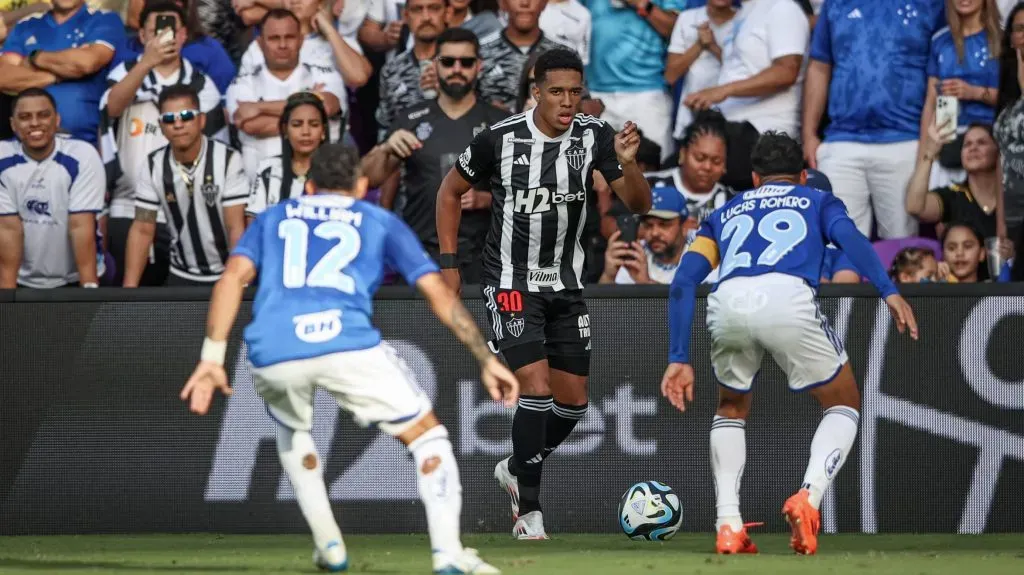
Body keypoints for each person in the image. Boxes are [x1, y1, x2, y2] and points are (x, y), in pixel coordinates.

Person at [179, 142, 515, 574]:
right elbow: (437, 293)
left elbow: (233, 278)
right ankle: (448, 553)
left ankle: (330, 546)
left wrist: (211, 357)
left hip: (274, 347)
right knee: (428, 438)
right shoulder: (377, 218)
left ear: (309, 186)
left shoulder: (275, 217)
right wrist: (485, 358)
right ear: (360, 186)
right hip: (346, 342)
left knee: (292, 429)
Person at [660, 132, 918, 556]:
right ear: (802, 174)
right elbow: (852, 240)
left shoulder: (724, 211)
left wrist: (678, 357)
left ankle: (728, 524)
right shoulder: (816, 200)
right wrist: (888, 289)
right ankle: (809, 497)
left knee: (731, 407)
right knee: (844, 403)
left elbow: (685, 281)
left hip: (728, 299)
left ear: (756, 179)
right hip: (787, 297)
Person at [436, 47, 652, 539]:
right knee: (535, 389)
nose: (567, 101)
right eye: (557, 91)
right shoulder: (499, 138)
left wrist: (626, 163)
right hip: (510, 282)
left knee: (573, 404)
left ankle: (515, 467)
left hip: (567, 286)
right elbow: (449, 192)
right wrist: (449, 264)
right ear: (536, 92)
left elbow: (638, 203)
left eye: (575, 91)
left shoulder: (597, 135)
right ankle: (528, 513)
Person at [362, 27, 507, 283]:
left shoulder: (500, 122)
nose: (457, 69)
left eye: (466, 62)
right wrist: (385, 148)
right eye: (448, 61)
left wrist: (487, 198)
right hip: (421, 255)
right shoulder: (410, 119)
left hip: (486, 257)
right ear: (434, 66)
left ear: (479, 67)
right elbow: (367, 179)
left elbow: (526, 191)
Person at [124, 85, 248, 287]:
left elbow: (235, 227)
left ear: (201, 120)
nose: (178, 124)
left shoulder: (228, 160)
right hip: (181, 275)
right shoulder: (153, 164)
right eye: (169, 119)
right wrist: (127, 292)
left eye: (186, 116)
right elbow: (142, 228)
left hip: (226, 275)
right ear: (161, 126)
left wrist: (237, 283)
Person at [0, 88, 105, 289]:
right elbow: (8, 231)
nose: (35, 123)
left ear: (57, 120)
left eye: (43, 115)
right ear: (13, 125)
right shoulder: (2, 157)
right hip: (22, 279)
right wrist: (6, 304)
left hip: (74, 276)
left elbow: (81, 227)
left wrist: (89, 292)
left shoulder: (83, 155)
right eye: (24, 117)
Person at [226, 8, 345, 179]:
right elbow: (253, 126)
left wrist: (259, 107)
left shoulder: (324, 74)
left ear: (301, 40)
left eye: (289, 37)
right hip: (259, 192)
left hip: (318, 185)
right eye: (274, 38)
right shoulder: (243, 83)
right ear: (260, 43)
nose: (282, 45)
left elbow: (327, 105)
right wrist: (311, 106)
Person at [246, 91, 330, 222]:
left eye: (314, 125)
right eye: (297, 125)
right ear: (285, 130)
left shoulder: (335, 172)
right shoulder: (268, 169)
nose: (305, 132)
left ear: (323, 131)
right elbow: (253, 225)